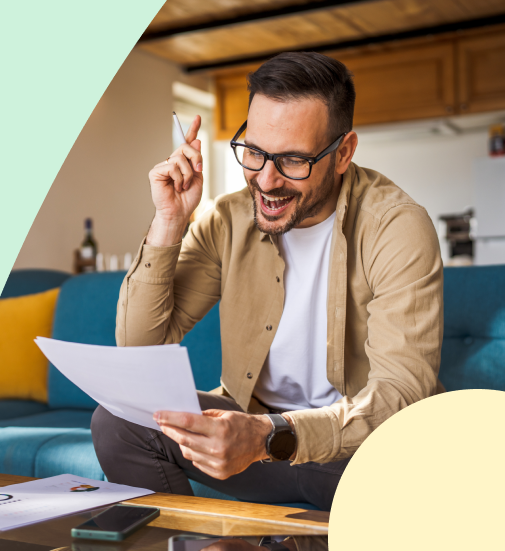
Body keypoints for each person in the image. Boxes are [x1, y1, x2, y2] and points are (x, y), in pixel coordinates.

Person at [92, 51, 444, 511]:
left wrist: (268, 437)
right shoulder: (227, 218)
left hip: (358, 457)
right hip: (256, 445)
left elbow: (400, 396)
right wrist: (169, 222)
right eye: (254, 152)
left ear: (343, 153)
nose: (267, 180)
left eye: (293, 159)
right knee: (118, 421)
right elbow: (139, 349)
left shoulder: (395, 225)